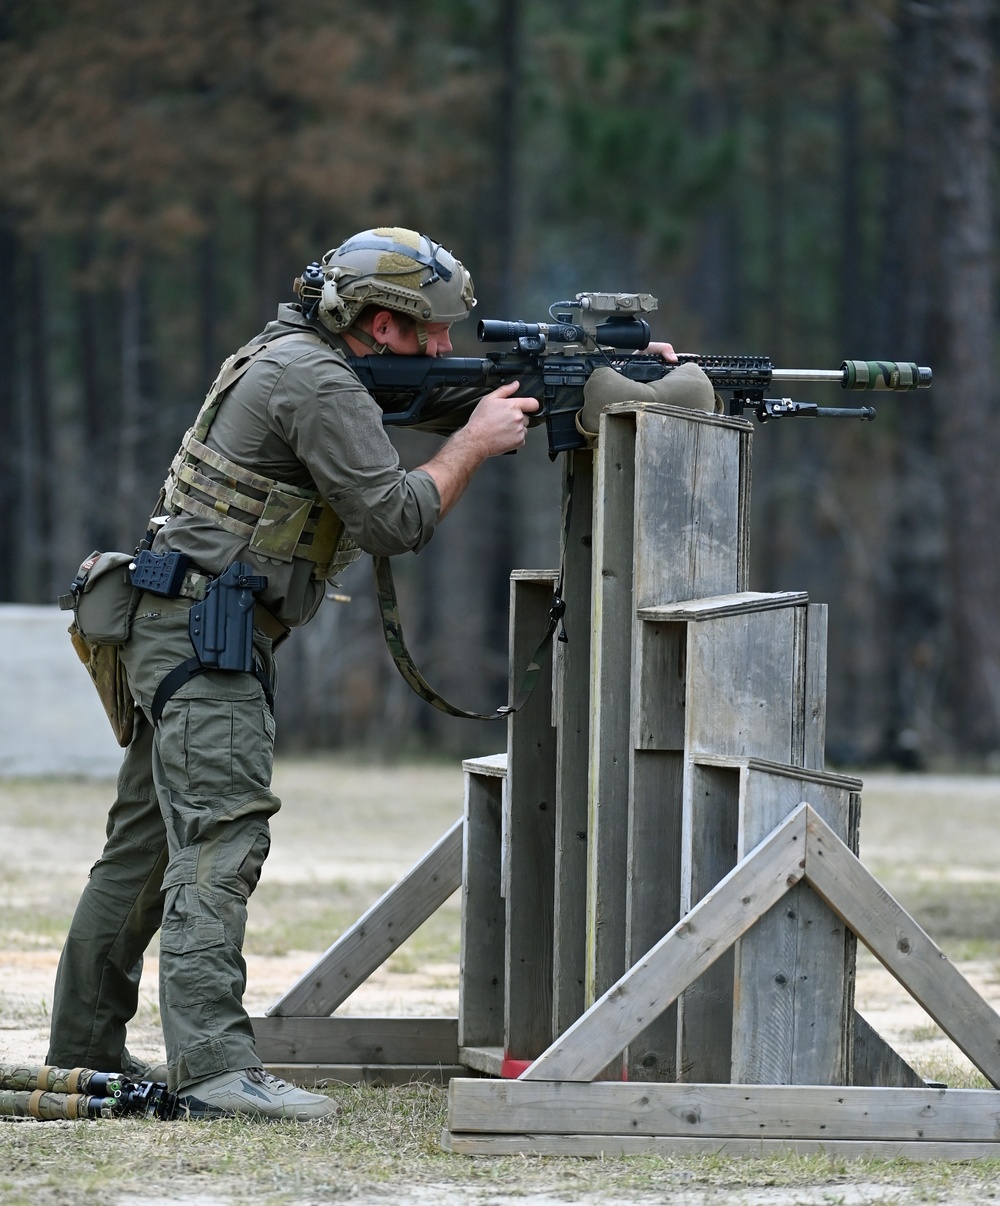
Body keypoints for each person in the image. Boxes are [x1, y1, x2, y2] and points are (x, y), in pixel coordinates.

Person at [46, 227, 542, 1121]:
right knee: (221, 841)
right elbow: (394, 516)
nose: (442, 346)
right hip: (206, 636)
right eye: (429, 329)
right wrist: (471, 444)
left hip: (176, 624)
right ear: (377, 324)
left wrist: (584, 374)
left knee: (144, 849)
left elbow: (424, 398)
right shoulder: (313, 379)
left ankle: (83, 1049)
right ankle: (214, 1068)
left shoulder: (301, 359)